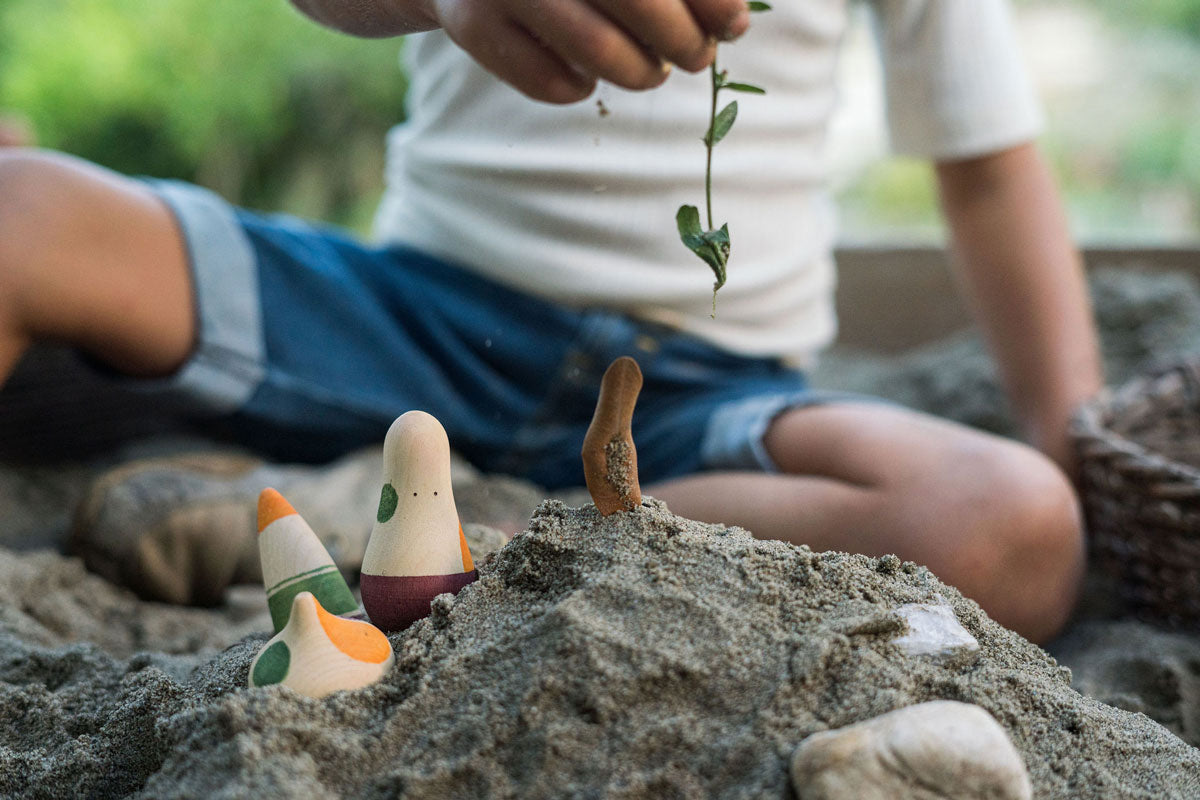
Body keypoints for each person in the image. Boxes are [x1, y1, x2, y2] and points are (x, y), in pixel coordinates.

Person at [0, 0, 1101, 643]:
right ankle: (418, 525)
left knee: (1015, 523)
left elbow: (991, 168)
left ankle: (412, 532)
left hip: (701, 398)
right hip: (412, 319)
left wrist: (1079, 444)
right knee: (22, 215)